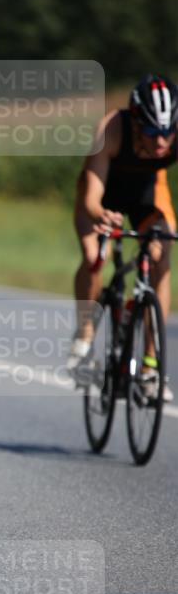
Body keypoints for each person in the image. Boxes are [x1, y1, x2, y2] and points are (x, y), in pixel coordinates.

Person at [69, 74, 177, 397]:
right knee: (94, 257)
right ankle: (84, 338)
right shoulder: (112, 129)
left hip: (146, 194)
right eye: (151, 132)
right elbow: (91, 198)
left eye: (167, 132)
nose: (161, 142)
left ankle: (150, 368)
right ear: (135, 124)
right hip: (104, 194)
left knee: (161, 257)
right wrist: (100, 214)